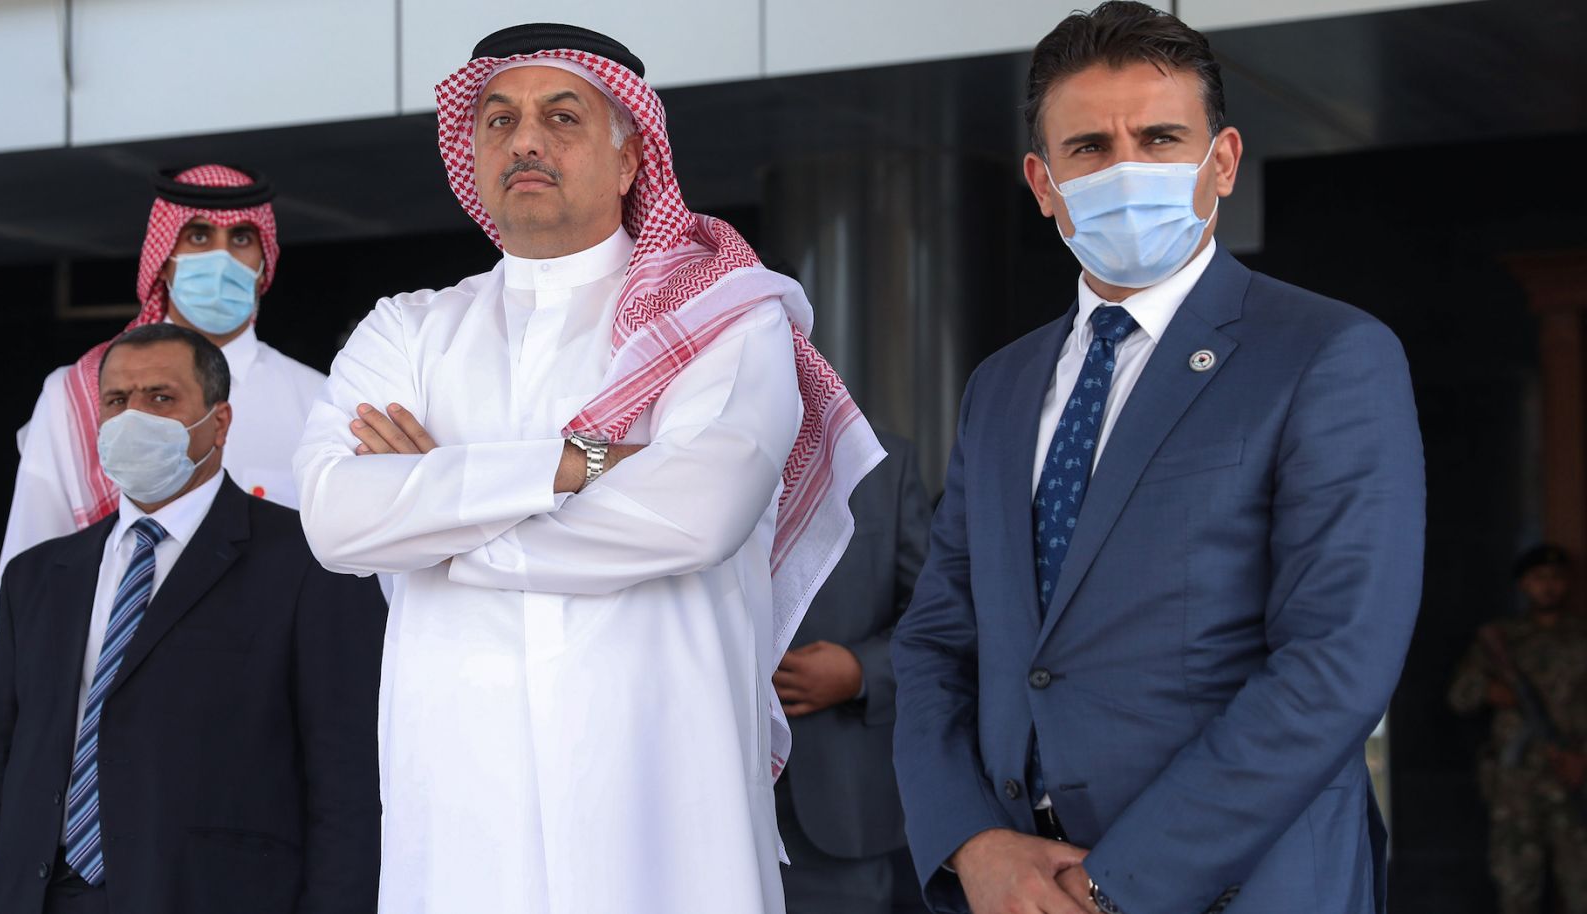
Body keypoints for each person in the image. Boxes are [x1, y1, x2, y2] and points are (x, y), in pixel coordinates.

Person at [292, 23, 881, 914]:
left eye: (562, 115)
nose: (524, 140)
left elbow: (697, 513)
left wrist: (438, 535)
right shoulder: (407, 330)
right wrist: (575, 464)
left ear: (631, 155)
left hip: (664, 819)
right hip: (462, 819)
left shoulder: (728, 322)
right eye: (498, 119)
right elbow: (337, 518)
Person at [890, 4, 1426, 913]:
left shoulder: (1326, 354)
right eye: (1091, 147)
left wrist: (1112, 885)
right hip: (1017, 889)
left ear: (1221, 161)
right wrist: (973, 847)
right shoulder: (1003, 386)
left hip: (1240, 887)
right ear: (1043, 180)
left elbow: (1335, 662)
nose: (1127, 167)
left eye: (1162, 137)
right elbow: (940, 641)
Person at [0, 324, 384, 914]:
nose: (134, 417)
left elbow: (349, 784)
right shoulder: (38, 576)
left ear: (220, 421)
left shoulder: (311, 562)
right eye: (117, 401)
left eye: (161, 398)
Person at [0, 164, 326, 632]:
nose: (221, 258)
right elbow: (31, 564)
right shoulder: (79, 395)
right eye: (198, 237)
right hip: (111, 663)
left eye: (241, 240)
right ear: (164, 258)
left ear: (263, 263)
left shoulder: (319, 400)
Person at [775, 430, 931, 914]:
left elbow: (938, 618)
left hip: (838, 804)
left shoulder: (882, 459)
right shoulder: (674, 452)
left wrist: (862, 670)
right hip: (706, 800)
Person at [1449, 545, 1587, 914]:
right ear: (1524, 585)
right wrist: (1491, 690)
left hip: (1574, 778)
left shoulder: (1581, 638)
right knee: (1516, 888)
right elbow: (1459, 696)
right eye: (1540, 578)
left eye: (1556, 578)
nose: (1549, 587)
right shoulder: (1501, 639)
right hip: (1516, 785)